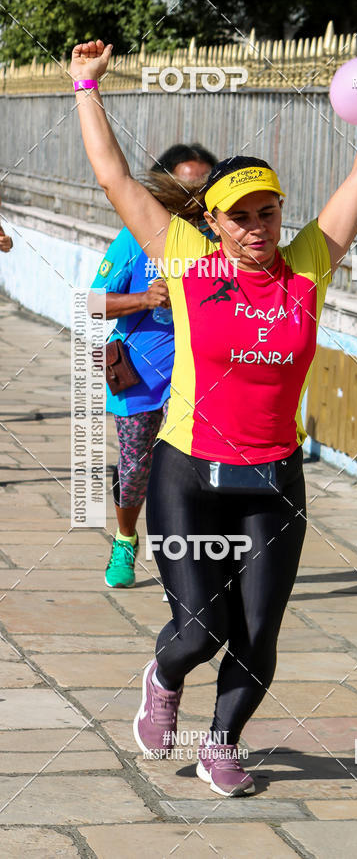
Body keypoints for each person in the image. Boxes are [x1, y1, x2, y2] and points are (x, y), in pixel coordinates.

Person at [70, 37, 357, 795]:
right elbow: (113, 176)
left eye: (270, 211)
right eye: (242, 215)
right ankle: (162, 678)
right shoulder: (187, 260)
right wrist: (85, 85)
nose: (259, 225)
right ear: (214, 221)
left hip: (271, 480)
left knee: (259, 634)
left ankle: (222, 744)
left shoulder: (308, 268)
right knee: (200, 631)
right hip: (187, 473)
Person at [89, 144, 217, 588]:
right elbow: (89, 303)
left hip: (199, 378)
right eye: (183, 187)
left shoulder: (222, 243)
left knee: (195, 472)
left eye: (203, 188)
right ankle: (125, 539)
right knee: (134, 468)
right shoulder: (134, 238)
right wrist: (145, 298)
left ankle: (191, 561)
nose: (193, 198)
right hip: (139, 378)